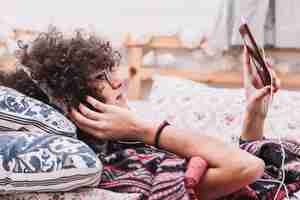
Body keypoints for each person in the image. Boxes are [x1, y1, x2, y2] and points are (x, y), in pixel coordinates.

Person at [1, 27, 269, 200]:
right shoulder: (125, 172)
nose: (119, 82)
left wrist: (254, 114)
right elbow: (247, 167)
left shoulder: (132, 142)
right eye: (101, 77)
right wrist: (145, 129)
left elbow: (263, 176)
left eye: (111, 71)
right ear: (72, 102)